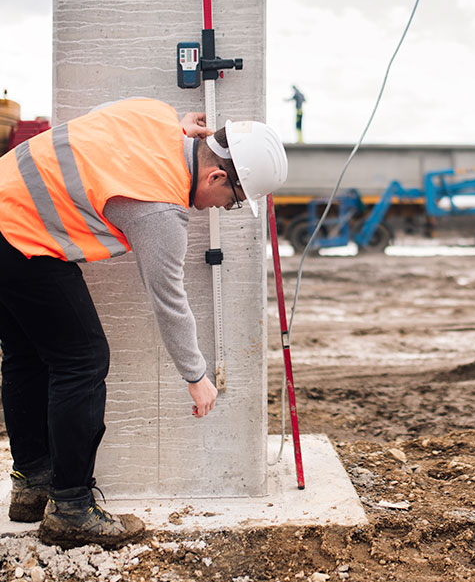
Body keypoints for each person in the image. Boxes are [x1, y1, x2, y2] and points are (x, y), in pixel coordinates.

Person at [0, 97, 288, 549]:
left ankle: (31, 483)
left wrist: (177, 124)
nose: (220, 209)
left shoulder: (155, 115)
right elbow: (169, 303)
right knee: (83, 360)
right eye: (232, 202)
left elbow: (112, 122)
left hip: (6, 207)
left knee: (26, 355)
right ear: (216, 175)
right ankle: (71, 509)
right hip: (20, 236)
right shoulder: (159, 211)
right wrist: (196, 376)